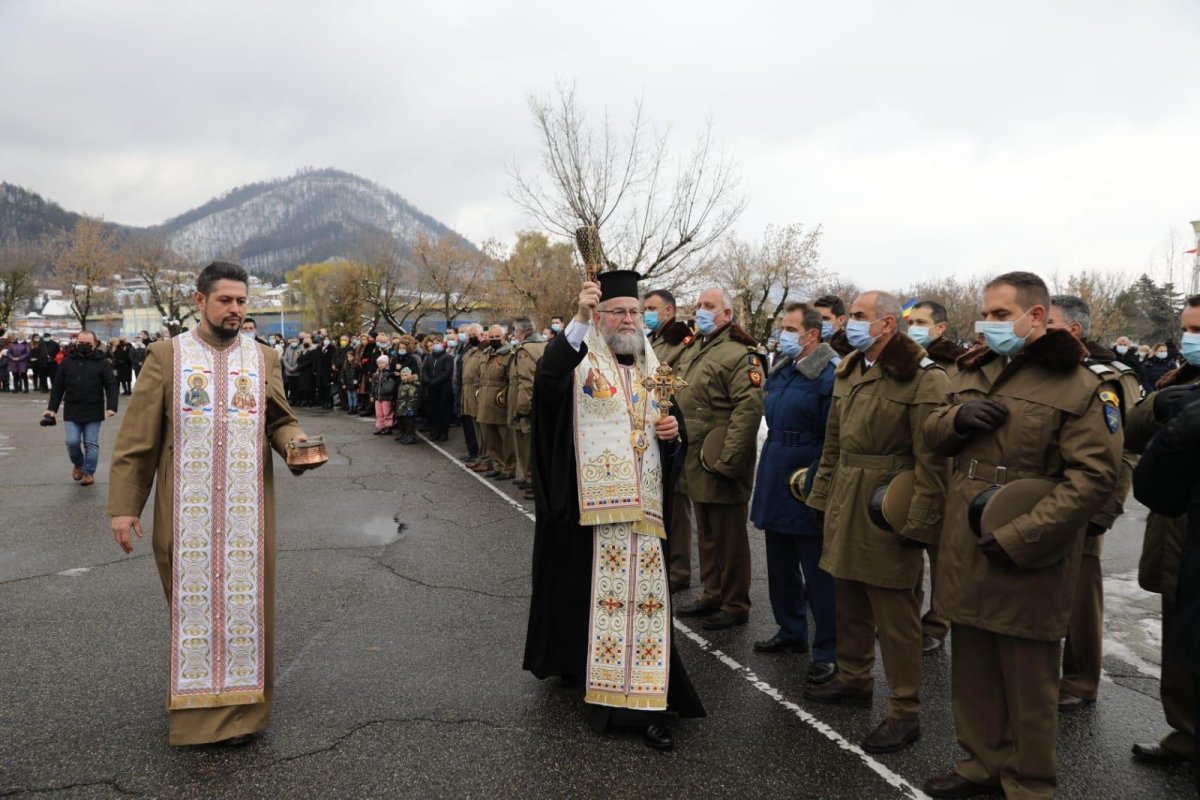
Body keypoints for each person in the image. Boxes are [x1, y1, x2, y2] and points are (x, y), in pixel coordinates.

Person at [921, 272, 1122, 799]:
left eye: (1000, 314)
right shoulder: (974, 369)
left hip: (1028, 549)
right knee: (972, 670)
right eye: (984, 313)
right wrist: (958, 417)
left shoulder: (1080, 385)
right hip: (966, 542)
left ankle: (1028, 784)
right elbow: (931, 433)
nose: (987, 324)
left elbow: (1093, 478)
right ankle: (978, 766)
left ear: (1036, 317)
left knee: (1028, 684)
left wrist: (1022, 536)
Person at [106, 261, 313, 747]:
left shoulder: (263, 358)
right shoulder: (165, 356)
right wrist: (124, 505)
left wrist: (296, 443)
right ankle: (197, 717)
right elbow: (137, 440)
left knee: (247, 611)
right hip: (184, 512)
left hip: (248, 516)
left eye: (242, 301)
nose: (236, 310)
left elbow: (278, 420)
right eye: (226, 300)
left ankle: (243, 716)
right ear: (200, 301)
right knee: (193, 610)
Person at [522, 271, 705, 751]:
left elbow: (671, 430)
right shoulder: (579, 363)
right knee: (586, 599)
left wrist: (673, 439)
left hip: (643, 516)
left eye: (635, 312)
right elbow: (548, 379)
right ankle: (584, 669)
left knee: (637, 610)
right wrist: (579, 318)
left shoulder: (654, 368)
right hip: (588, 513)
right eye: (618, 312)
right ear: (600, 318)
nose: (628, 320)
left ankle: (639, 704)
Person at [802, 291, 947, 754]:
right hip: (847, 495)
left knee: (896, 614)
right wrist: (820, 498)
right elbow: (834, 445)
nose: (850, 325)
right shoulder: (850, 369)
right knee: (850, 597)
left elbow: (933, 462)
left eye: (861, 317)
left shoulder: (924, 378)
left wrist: (919, 524)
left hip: (888, 504)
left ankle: (905, 711)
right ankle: (854, 677)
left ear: (887, 324)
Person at [1048, 295, 1143, 712]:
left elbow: (1126, 450)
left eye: (1046, 322)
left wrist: (1103, 512)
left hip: (1085, 502)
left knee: (1081, 598)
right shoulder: (1045, 369)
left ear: (1073, 329)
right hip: (1042, 497)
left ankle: (1080, 680)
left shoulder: (1110, 376)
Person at [1124, 294, 1200, 770]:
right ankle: (1186, 732)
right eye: (1189, 329)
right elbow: (1130, 435)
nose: (1192, 339)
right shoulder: (1179, 381)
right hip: (1177, 529)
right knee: (1178, 632)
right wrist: (1159, 407)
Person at [749, 302, 839, 685]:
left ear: (811, 335)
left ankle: (829, 650)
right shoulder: (782, 369)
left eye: (789, 328)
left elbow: (832, 435)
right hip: (775, 466)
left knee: (818, 573)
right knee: (780, 564)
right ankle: (790, 632)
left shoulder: (829, 374)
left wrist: (817, 481)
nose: (781, 334)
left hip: (807, 473)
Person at [673, 286, 765, 630]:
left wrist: (728, 461)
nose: (700, 310)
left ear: (726, 314)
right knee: (707, 533)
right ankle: (712, 593)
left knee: (729, 537)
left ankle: (735, 602)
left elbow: (748, 409)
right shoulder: (698, 347)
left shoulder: (740, 354)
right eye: (698, 305)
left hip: (719, 456)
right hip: (695, 455)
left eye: (708, 306)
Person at [906, 300, 970, 655]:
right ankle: (907, 617)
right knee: (908, 541)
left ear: (940, 328)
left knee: (940, 552)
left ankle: (938, 622)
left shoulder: (956, 366)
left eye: (920, 322)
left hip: (945, 466)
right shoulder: (905, 361)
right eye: (910, 321)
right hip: (912, 463)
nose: (913, 327)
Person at [643, 288, 697, 590]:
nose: (645, 313)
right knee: (660, 499)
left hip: (674, 427)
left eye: (651, 308)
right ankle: (662, 561)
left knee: (677, 503)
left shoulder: (681, 342)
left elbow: (679, 386)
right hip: (652, 427)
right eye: (644, 308)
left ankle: (679, 571)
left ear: (668, 311)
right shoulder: (653, 340)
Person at [43, 329, 119, 486]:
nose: (83, 346)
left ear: (95, 344)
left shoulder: (102, 363)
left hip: (94, 408)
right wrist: (52, 409)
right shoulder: (67, 362)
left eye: (87, 344)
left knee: (91, 443)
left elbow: (111, 385)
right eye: (81, 343)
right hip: (72, 408)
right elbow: (58, 386)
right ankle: (78, 463)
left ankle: (88, 473)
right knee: (72, 442)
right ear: (76, 343)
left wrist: (111, 407)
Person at [507, 317, 546, 498]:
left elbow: (526, 381)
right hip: (541, 402)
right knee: (528, 443)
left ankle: (533, 481)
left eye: (515, 331)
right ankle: (529, 477)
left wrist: (522, 407)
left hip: (528, 404)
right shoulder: (544, 345)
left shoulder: (525, 350)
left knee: (528, 443)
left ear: (521, 332)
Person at [475, 325, 516, 480]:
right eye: (491, 337)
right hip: (485, 399)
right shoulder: (486, 353)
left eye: (497, 337)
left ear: (504, 337)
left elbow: (512, 379)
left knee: (506, 437)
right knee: (490, 436)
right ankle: (498, 465)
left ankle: (509, 468)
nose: (494, 340)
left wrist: (504, 396)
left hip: (500, 401)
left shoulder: (510, 354)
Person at [459, 325, 486, 465]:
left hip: (476, 392)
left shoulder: (484, 351)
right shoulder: (469, 350)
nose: (471, 337)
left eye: (473, 334)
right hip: (466, 391)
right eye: (469, 335)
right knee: (468, 424)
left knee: (478, 426)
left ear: (482, 334)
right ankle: (472, 452)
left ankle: (481, 455)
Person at [421, 335, 454, 441]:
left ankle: (443, 432)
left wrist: (434, 382)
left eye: (438, 342)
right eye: (434, 343)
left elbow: (447, 371)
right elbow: (425, 369)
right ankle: (435, 431)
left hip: (443, 388)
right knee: (434, 410)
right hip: (432, 388)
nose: (436, 344)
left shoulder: (447, 357)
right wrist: (426, 380)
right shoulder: (430, 357)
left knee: (443, 411)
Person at [370, 354, 397, 435]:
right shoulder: (376, 374)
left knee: (387, 412)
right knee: (379, 413)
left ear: (387, 364)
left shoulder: (389, 374)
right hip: (377, 397)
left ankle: (388, 427)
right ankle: (380, 427)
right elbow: (373, 385)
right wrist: (372, 395)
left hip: (386, 397)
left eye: (383, 363)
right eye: (379, 363)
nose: (381, 365)